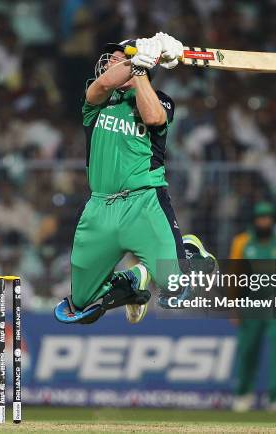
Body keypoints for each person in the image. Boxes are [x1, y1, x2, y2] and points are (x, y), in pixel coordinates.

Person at [55, 33, 216, 325]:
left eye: (119, 59)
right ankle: (135, 281)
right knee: (81, 307)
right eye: (112, 60)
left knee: (177, 289)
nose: (110, 65)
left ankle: (187, 247)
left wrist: (141, 67)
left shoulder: (162, 101)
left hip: (144, 202)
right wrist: (139, 59)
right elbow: (102, 85)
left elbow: (154, 118)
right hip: (100, 208)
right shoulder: (96, 99)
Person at [229, 201, 276, 412]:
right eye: (261, 217)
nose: (264, 221)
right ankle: (244, 395)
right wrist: (233, 306)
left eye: (268, 217)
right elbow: (234, 275)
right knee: (248, 350)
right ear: (254, 220)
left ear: (273, 220)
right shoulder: (242, 241)